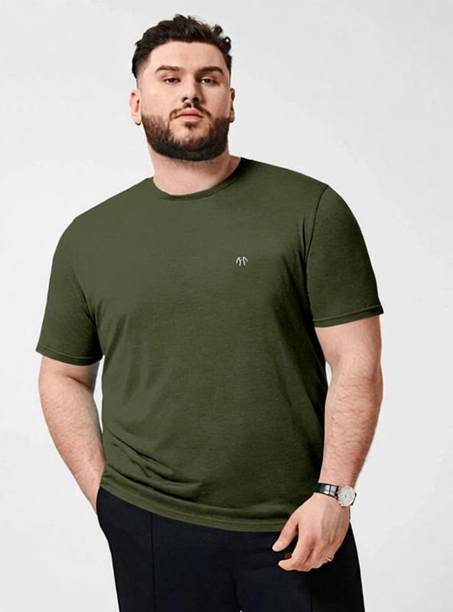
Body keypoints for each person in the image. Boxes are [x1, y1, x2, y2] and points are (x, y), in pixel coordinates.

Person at [35, 13, 384, 612]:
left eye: (209, 78)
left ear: (231, 100)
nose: (190, 92)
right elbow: (61, 375)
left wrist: (335, 494)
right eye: (170, 78)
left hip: (296, 525)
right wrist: (106, 497)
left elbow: (357, 363)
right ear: (136, 102)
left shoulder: (310, 210)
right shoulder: (88, 238)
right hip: (151, 526)